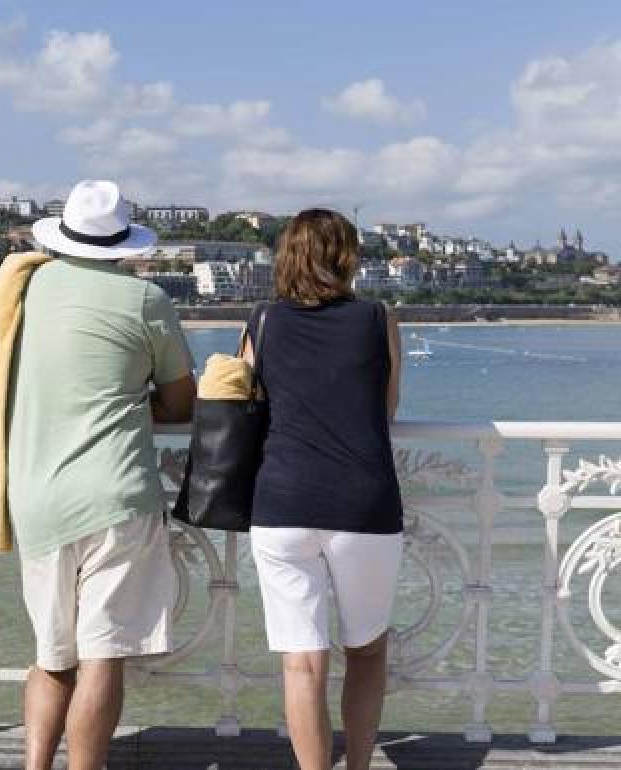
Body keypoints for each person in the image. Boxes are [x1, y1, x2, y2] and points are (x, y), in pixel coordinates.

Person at [11, 180, 196, 769]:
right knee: (102, 658)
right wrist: (135, 400)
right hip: (117, 492)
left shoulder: (27, 289)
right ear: (125, 245)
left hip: (37, 495)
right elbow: (181, 403)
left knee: (51, 656)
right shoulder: (146, 300)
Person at [242, 208, 403, 770]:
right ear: (348, 257)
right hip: (363, 503)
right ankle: (356, 764)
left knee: (302, 664)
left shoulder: (261, 322)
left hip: (282, 504)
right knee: (366, 650)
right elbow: (387, 408)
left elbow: (245, 405)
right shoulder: (377, 319)